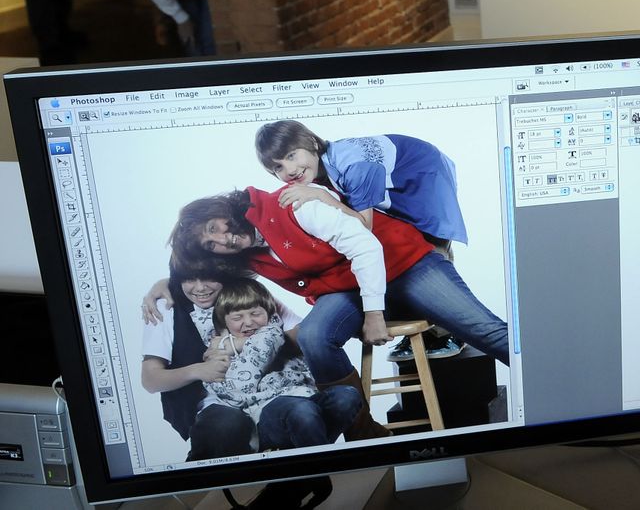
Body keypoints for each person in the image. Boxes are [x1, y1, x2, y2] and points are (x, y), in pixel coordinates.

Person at [168, 185, 510, 438]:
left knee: (484, 330)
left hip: (402, 264)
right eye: (210, 244)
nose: (222, 241)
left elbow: (365, 246)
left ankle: (556, 390)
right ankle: (365, 434)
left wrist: (374, 314)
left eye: (215, 228)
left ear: (222, 210)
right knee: (315, 336)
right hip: (346, 288)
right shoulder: (245, 254)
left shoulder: (291, 205)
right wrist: (164, 287)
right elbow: (199, 279)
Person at [255, 120, 469, 360]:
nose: (290, 169)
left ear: (313, 142)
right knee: (400, 245)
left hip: (423, 175)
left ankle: (449, 331)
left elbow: (363, 225)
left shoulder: (352, 165)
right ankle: (426, 333)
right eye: (278, 168)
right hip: (396, 179)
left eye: (292, 155)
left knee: (430, 245)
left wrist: (319, 197)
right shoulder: (318, 171)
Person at [140, 268, 302, 460]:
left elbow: (303, 333)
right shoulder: (168, 307)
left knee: (300, 413)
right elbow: (150, 379)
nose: (200, 288)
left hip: (268, 392)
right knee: (227, 424)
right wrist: (198, 370)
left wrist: (241, 343)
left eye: (209, 276)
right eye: (189, 278)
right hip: (215, 400)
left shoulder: (245, 294)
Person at [204, 280, 360, 450]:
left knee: (347, 396)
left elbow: (306, 343)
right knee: (301, 411)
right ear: (224, 323)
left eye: (255, 313)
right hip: (268, 412)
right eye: (237, 317)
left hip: (307, 400)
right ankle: (320, 468)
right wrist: (242, 343)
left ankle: (304, 448)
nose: (248, 322)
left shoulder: (278, 334)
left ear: (269, 314)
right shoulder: (221, 350)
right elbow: (241, 387)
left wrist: (248, 341)